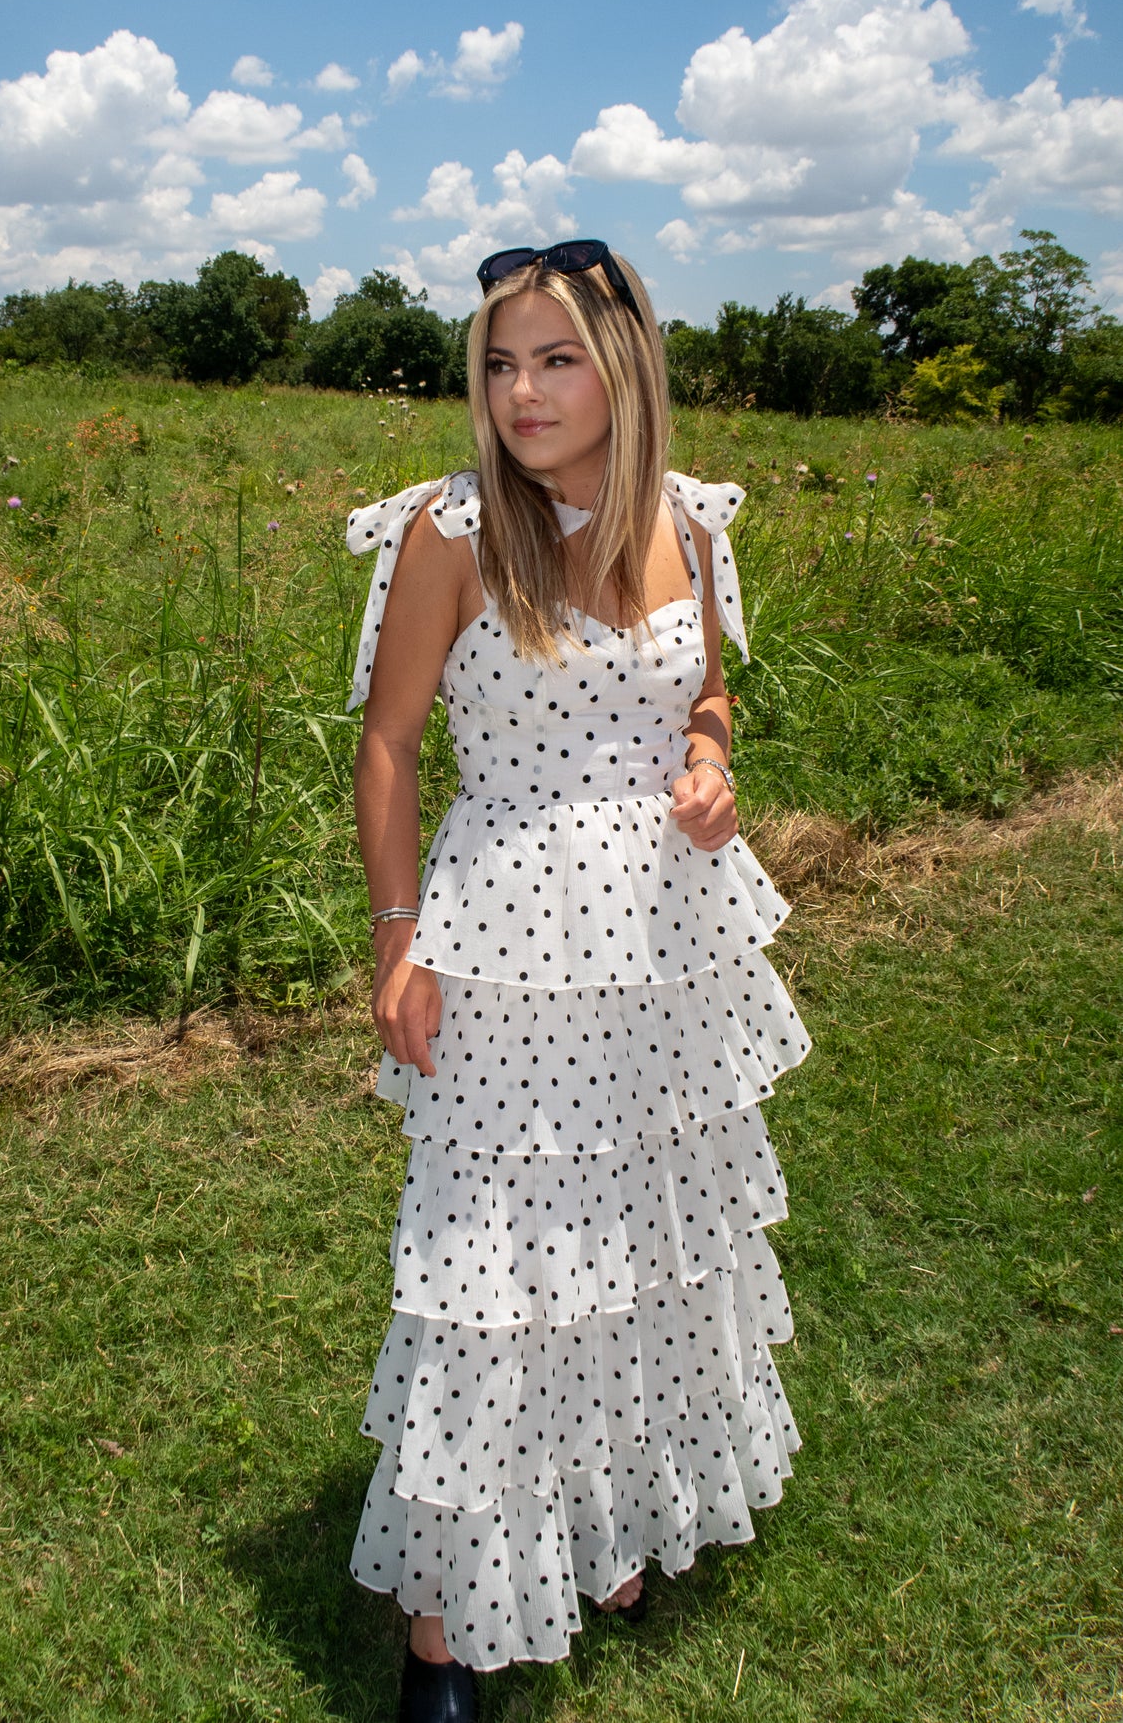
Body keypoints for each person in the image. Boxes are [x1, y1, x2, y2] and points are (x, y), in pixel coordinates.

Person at [343, 241, 812, 1722]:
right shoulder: (452, 530)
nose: (523, 391)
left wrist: (710, 758)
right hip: (513, 936)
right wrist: (397, 935)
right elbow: (389, 745)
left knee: (649, 1235)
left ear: (622, 367)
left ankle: (604, 1522)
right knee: (497, 1267)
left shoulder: (690, 518)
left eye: (553, 358)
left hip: (668, 940)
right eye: (498, 361)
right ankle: (442, 1627)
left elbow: (711, 692)